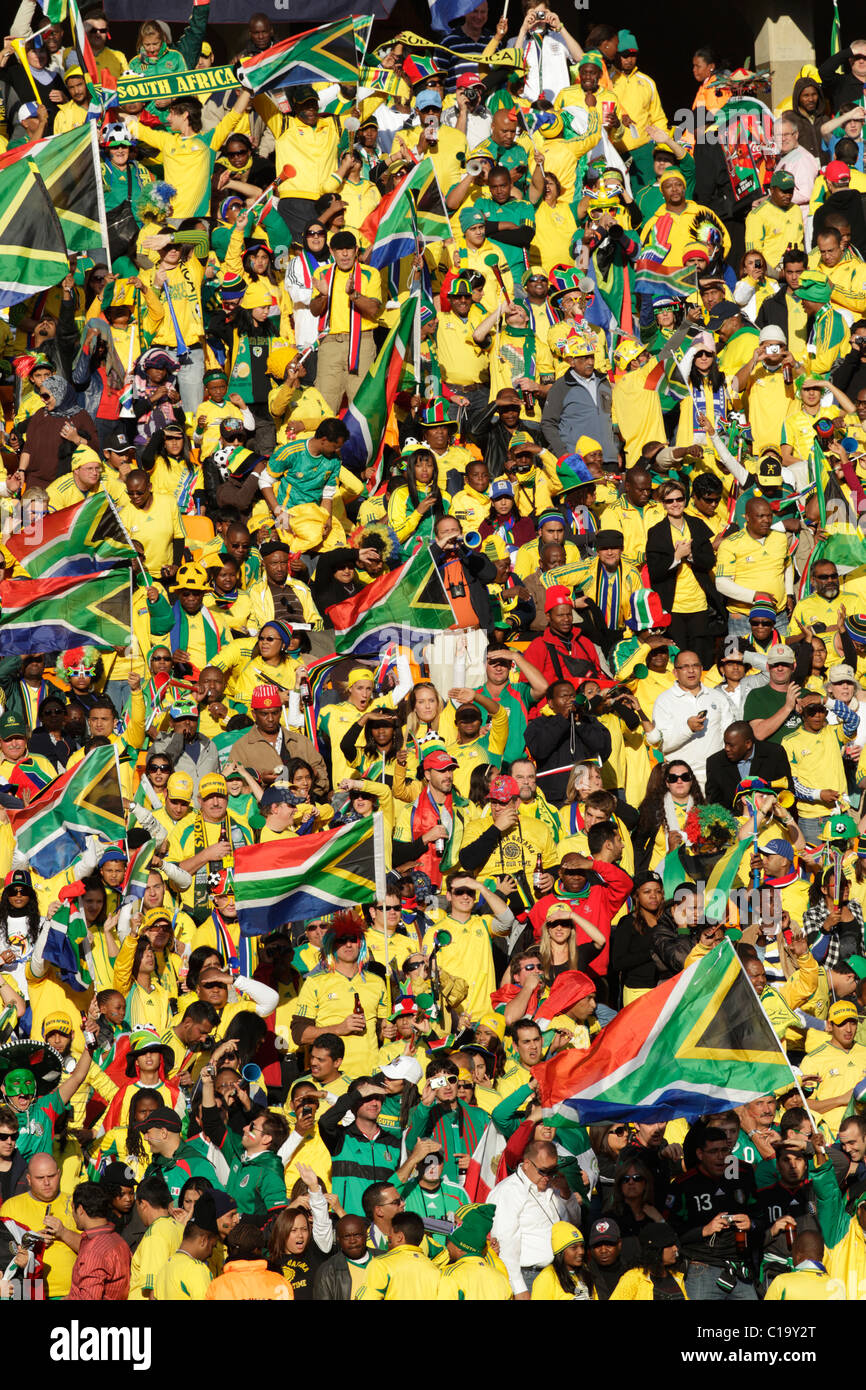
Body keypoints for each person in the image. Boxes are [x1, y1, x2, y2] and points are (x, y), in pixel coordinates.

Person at [489, 1139, 580, 1297]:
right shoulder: (508, 1191)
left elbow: (573, 1225)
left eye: (553, 1170)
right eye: (543, 1171)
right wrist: (518, 1288)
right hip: (529, 1276)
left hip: (560, 1274)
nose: (548, 1177)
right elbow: (506, 1244)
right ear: (526, 1164)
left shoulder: (555, 1186)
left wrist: (566, 1194)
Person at [644, 651, 732, 791]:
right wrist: (688, 729)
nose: (691, 670)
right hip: (682, 780)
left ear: (702, 669)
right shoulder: (664, 700)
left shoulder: (716, 697)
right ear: (675, 672)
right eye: (684, 666)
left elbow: (727, 734)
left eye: (695, 665)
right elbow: (662, 745)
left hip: (716, 776)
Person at [66, 1182, 132, 1300]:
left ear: (80, 1209)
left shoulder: (94, 1252)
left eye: (73, 1208)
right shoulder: (118, 1240)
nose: (73, 1214)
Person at [608, 1221, 688, 1300]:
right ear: (656, 1250)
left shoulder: (677, 1277)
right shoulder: (633, 1278)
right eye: (669, 1245)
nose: (675, 1249)